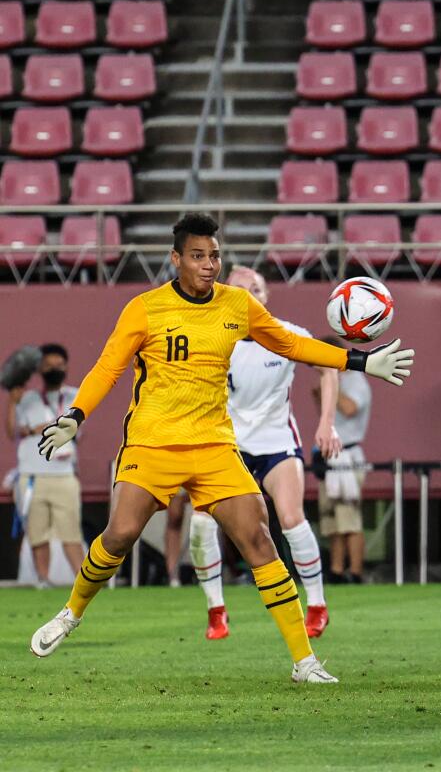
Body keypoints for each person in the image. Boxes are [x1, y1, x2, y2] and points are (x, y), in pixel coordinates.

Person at [29, 213, 414, 684]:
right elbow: (108, 368)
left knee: (259, 539)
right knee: (120, 535)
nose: (209, 264)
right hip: (153, 444)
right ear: (176, 259)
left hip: (214, 446)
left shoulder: (238, 305)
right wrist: (75, 415)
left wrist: (359, 361)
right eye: (197, 256)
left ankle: (305, 661)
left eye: (214, 255)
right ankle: (71, 612)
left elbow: (291, 344)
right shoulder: (144, 309)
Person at [186, 265, 343, 641]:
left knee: (291, 518)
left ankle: (317, 605)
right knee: (202, 524)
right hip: (228, 445)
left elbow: (328, 367)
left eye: (255, 289)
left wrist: (326, 423)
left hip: (276, 442)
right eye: (239, 289)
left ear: (266, 296)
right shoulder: (213, 338)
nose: (248, 295)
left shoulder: (288, 334)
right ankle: (216, 609)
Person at [6, 343, 85, 586]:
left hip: (64, 474)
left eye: (59, 365)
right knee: (37, 532)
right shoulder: (27, 399)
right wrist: (12, 402)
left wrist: (44, 428)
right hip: (31, 475)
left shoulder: (75, 396)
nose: (54, 369)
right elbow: (12, 432)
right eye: (48, 365)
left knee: (71, 532)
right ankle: (43, 580)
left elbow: (77, 431)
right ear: (39, 369)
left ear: (67, 367)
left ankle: (85, 582)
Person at [318, 337, 372, 584]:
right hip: (330, 454)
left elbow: (350, 408)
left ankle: (357, 571)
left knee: (349, 516)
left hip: (349, 455)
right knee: (331, 518)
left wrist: (330, 387)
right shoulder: (333, 381)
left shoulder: (354, 379)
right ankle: (337, 570)